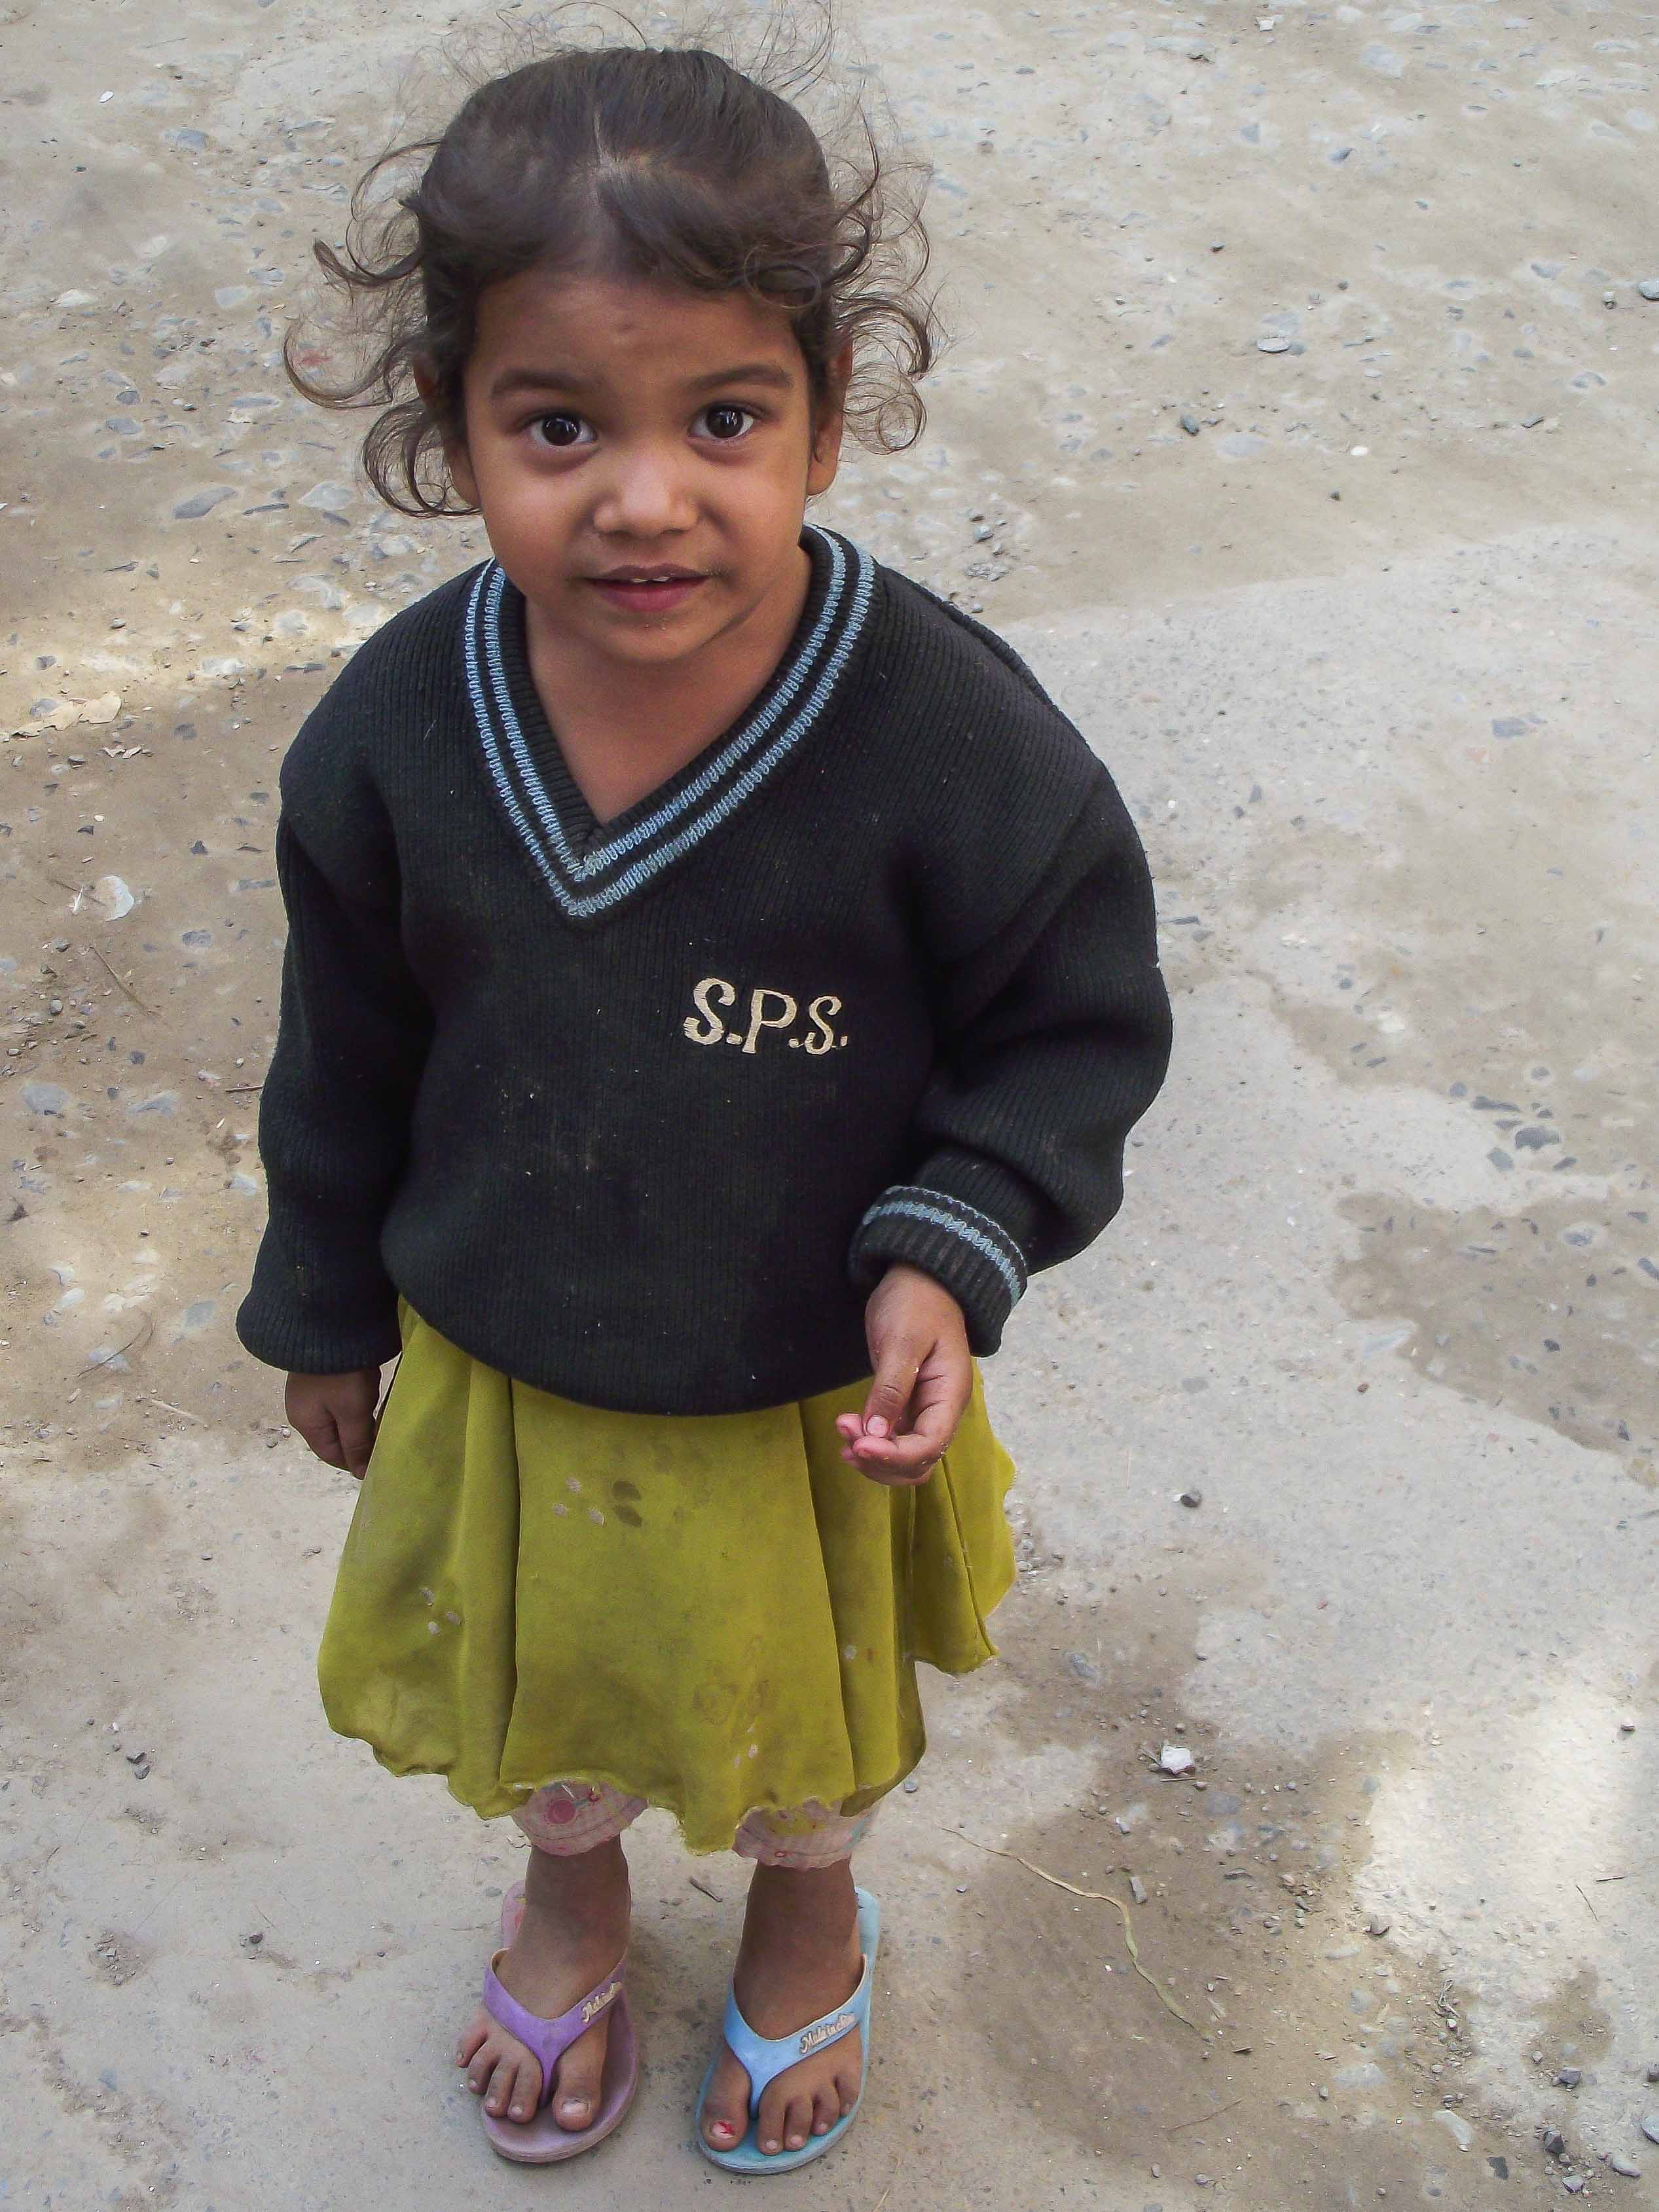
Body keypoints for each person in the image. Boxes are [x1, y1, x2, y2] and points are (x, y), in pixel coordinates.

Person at [236, 27, 1171, 2175]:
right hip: (515, 1357)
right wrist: (322, 1300)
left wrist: (955, 1240)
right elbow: (343, 1043)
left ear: (829, 419)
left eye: (725, 419)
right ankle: (572, 1890)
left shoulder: (947, 740)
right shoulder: (399, 731)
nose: (646, 496)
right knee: (557, 1680)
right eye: (559, 421)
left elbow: (1069, 1020)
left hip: (800, 1391)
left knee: (798, 1710)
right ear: (453, 426)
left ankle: (808, 1909)